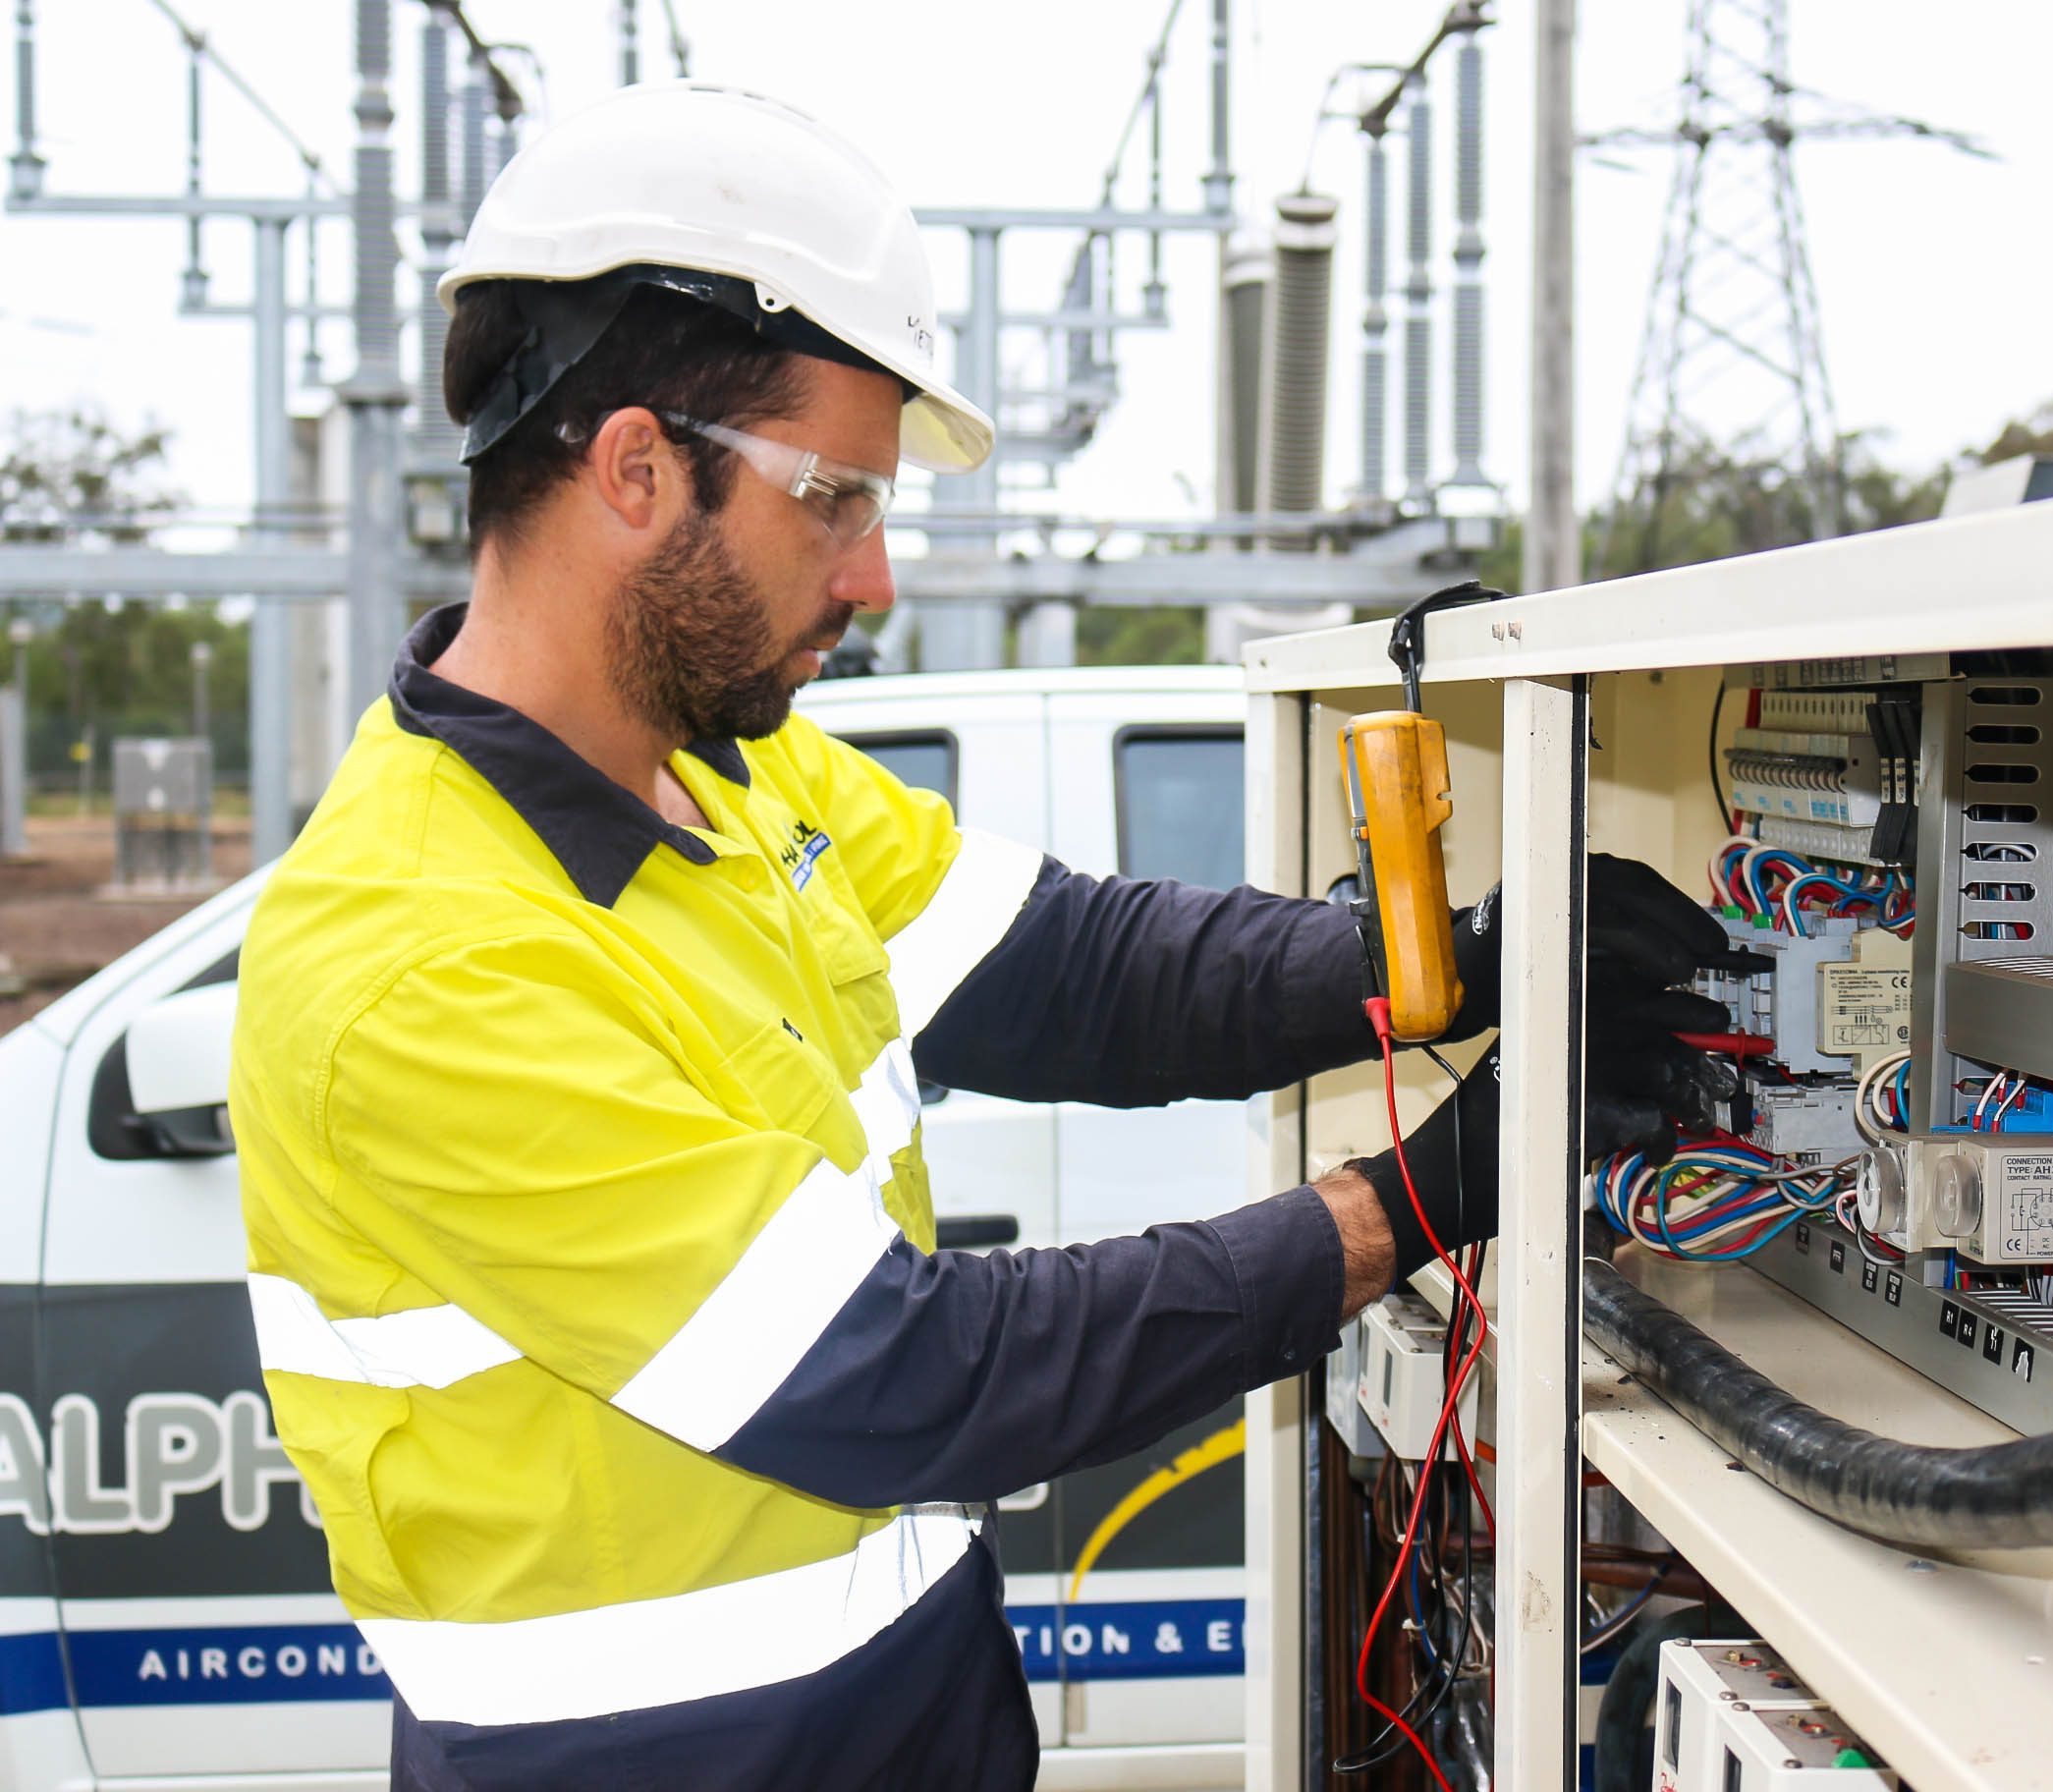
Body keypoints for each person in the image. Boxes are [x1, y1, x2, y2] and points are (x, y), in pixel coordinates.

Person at [229, 83, 1723, 1792]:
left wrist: (1454, 956)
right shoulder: (425, 956)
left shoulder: (743, 776)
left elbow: (1083, 977)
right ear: (636, 466)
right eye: (836, 501)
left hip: (916, 1727)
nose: (869, 580)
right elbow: (904, 1374)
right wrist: (1418, 1200)